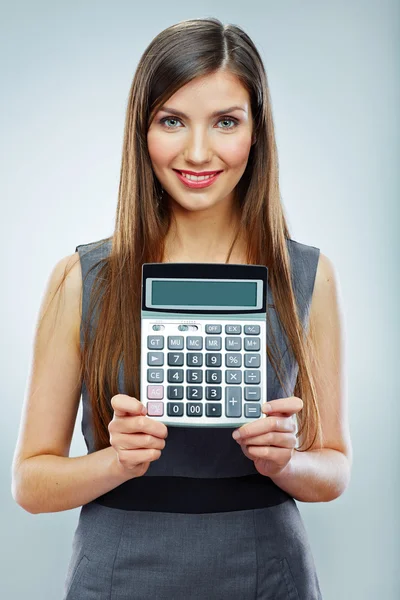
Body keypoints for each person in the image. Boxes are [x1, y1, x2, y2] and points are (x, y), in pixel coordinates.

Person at [11, 17, 352, 600]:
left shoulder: (308, 275)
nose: (198, 151)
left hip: (266, 571)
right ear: (142, 132)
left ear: (256, 132)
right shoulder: (81, 279)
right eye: (172, 121)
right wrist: (114, 462)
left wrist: (286, 462)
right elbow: (30, 483)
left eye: (225, 122)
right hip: (119, 571)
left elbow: (335, 469)